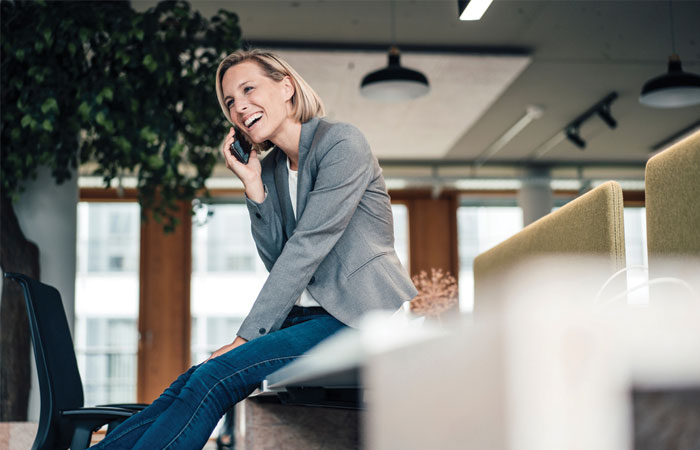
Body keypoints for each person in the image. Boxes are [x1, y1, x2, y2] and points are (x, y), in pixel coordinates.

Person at [90, 49, 417, 450]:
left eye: (248, 89)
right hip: (304, 319)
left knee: (215, 379)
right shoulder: (277, 168)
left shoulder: (341, 143)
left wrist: (245, 339)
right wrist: (253, 185)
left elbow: (308, 246)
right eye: (229, 101)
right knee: (191, 380)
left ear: (286, 87)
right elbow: (279, 260)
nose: (239, 106)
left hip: (358, 315)